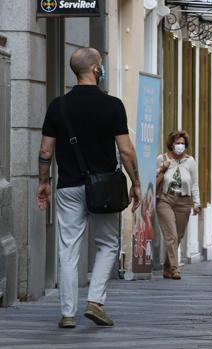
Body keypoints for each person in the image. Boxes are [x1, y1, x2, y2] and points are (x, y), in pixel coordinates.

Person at [36, 47, 141, 329]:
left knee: (68, 248)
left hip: (68, 187)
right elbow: (127, 151)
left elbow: (46, 150)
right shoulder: (113, 105)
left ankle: (68, 313)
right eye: (102, 65)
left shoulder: (58, 106)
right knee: (107, 244)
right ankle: (95, 301)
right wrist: (136, 184)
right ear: (96, 69)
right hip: (104, 186)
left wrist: (43, 182)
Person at [155, 130, 201, 280]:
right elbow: (153, 178)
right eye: (177, 143)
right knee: (171, 236)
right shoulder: (162, 159)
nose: (180, 146)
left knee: (178, 236)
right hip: (165, 199)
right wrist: (163, 168)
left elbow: (194, 183)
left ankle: (167, 268)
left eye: (182, 143)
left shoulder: (190, 161)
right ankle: (175, 269)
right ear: (171, 144)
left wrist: (197, 203)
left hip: (184, 202)